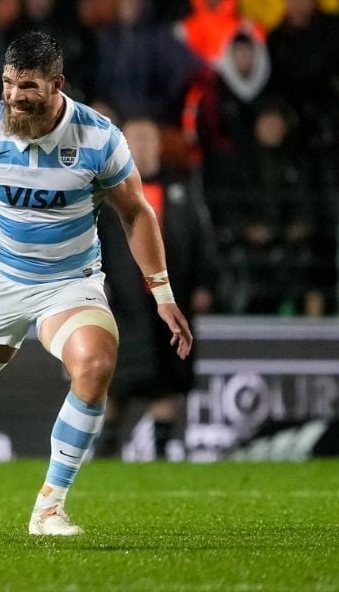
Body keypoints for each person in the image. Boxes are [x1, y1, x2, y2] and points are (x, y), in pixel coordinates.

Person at [0, 32, 193, 536]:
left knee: (96, 364)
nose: (14, 96)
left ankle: (50, 508)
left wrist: (162, 293)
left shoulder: (98, 137)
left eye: (28, 86)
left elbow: (136, 213)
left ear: (57, 84)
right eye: (8, 83)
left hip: (70, 282)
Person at [95, 118, 215, 461]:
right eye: (136, 139)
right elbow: (92, 241)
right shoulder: (107, 192)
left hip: (170, 301)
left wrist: (204, 283)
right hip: (124, 302)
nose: (143, 146)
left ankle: (161, 454)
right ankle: (105, 451)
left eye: (149, 139)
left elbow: (201, 238)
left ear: (159, 145)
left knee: (167, 381)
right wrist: (98, 281)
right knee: (118, 382)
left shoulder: (181, 188)